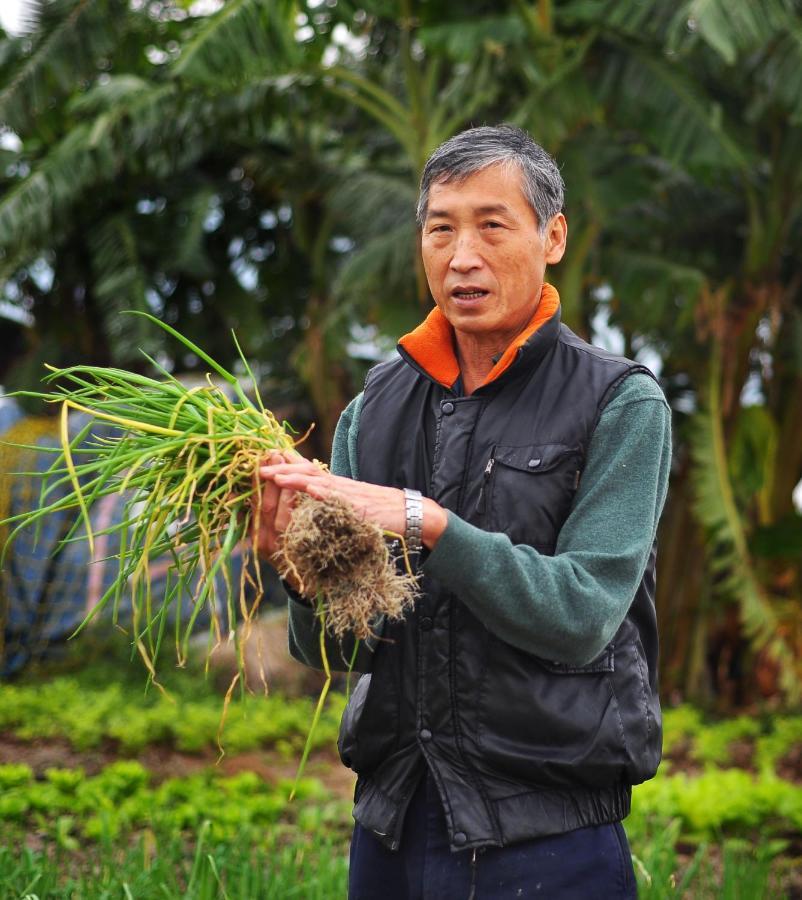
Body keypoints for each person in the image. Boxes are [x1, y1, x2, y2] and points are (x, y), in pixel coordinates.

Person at [255, 125, 672, 899]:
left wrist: (428, 523)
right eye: (440, 228)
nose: (462, 256)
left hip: (549, 835)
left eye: (491, 225)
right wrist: (299, 569)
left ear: (552, 237)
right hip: (393, 824)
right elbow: (343, 651)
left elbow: (584, 615)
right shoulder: (374, 409)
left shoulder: (620, 403)